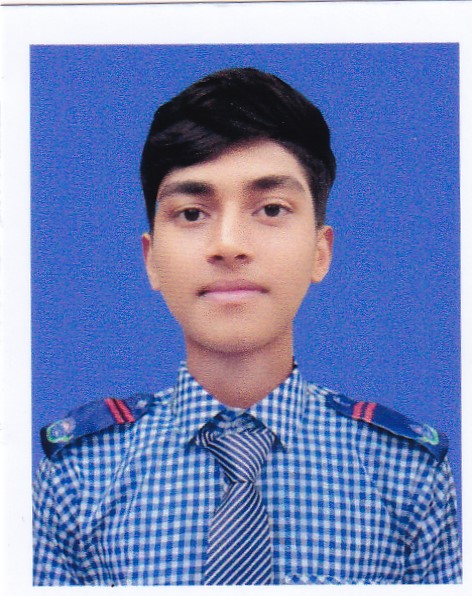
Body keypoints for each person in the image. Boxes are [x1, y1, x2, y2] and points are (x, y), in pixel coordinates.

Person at [33, 67, 462, 585]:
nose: (229, 244)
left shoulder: (406, 476)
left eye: (271, 208)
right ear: (151, 259)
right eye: (192, 214)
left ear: (320, 251)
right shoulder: (80, 475)